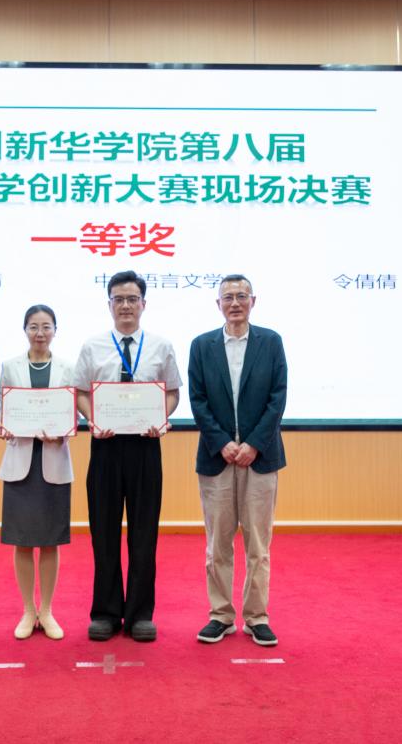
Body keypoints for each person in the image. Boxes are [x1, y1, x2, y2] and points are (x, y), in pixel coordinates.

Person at [72, 270, 181, 642]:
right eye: (118, 299)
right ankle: (105, 612)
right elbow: (80, 392)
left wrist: (160, 417)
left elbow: (172, 392)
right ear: (109, 305)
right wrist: (92, 419)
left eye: (132, 299)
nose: (125, 306)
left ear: (143, 304)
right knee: (103, 532)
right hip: (105, 445)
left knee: (144, 533)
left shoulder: (161, 346)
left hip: (145, 446)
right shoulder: (93, 346)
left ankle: (139, 614)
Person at [188, 274, 287, 647]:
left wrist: (254, 444)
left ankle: (257, 617)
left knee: (258, 545)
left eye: (241, 296)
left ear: (253, 301)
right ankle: (221, 615)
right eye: (228, 297)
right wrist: (223, 443)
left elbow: (278, 397)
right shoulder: (202, 345)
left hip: (260, 458)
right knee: (218, 544)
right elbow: (197, 400)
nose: (234, 303)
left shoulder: (271, 342)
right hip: (217, 458)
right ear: (218, 304)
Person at [0, 305, 73, 641]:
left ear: (55, 330)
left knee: (51, 541)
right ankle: (28, 610)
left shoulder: (68, 368)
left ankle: (47, 610)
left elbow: (73, 415)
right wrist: (6, 427)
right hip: (21, 463)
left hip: (54, 459)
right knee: (23, 541)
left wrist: (63, 432)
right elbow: (5, 409)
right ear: (24, 330)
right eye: (33, 326)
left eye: (46, 326)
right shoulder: (10, 367)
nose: (40, 333)